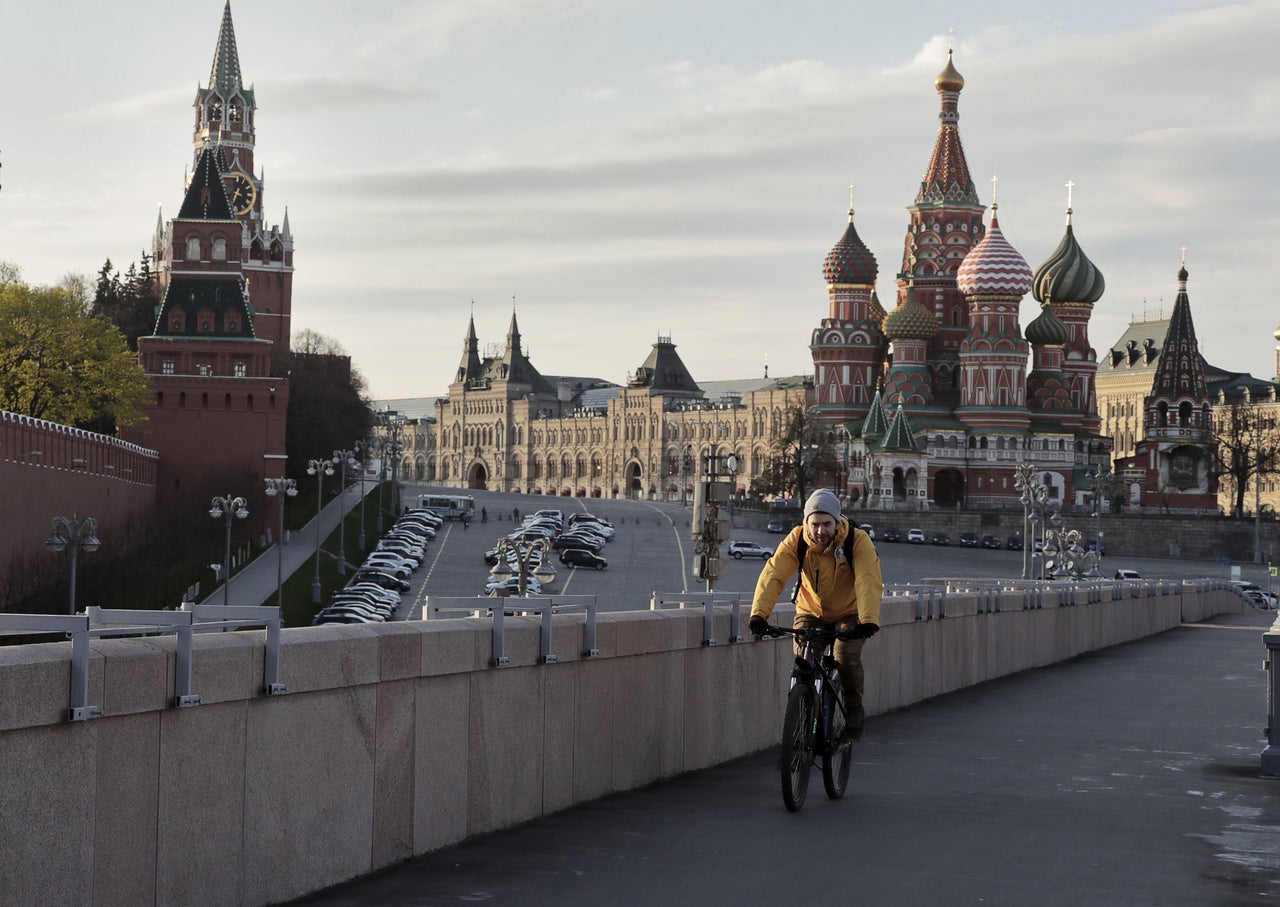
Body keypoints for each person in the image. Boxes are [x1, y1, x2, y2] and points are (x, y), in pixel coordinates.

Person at [749, 488, 882, 741]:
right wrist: (759, 615)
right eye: (815, 524)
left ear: (837, 521)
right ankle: (798, 735)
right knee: (804, 660)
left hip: (851, 613)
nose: (820, 531)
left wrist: (868, 621)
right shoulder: (797, 539)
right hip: (810, 611)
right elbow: (774, 575)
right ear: (806, 522)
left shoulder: (857, 540)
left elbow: (868, 580)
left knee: (845, 656)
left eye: (827, 524)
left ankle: (854, 709)